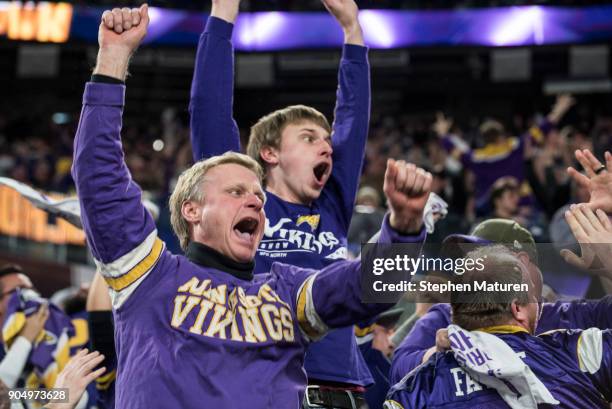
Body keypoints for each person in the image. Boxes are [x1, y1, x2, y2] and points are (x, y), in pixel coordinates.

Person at [72, 6, 432, 408]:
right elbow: (98, 176)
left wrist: (402, 229)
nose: (256, 201)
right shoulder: (151, 276)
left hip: (345, 390)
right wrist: (113, 57)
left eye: (258, 197)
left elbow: (369, 286)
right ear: (191, 210)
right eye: (237, 192)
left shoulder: (286, 290)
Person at [189, 0, 375, 402]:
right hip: (263, 385)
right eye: (309, 138)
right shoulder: (242, 207)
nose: (327, 148)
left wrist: (352, 31)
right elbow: (209, 110)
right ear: (270, 154)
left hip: (344, 390)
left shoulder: (331, 206)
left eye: (327, 142)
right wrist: (223, 14)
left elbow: (353, 120)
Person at [385, 245, 612, 408]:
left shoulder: (413, 391)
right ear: (518, 308)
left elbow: (397, 364)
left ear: (455, 312)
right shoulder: (579, 352)